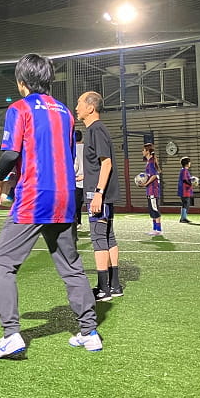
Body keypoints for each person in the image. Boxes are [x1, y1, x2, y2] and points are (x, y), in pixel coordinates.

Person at [0, 54, 101, 358]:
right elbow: (59, 155)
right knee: (71, 265)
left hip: (34, 196)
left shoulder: (19, 108)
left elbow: (11, 154)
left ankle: (11, 334)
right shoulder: (65, 112)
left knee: (2, 263)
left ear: (21, 81)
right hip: (65, 196)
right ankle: (89, 332)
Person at [76, 91, 123, 302]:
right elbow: (98, 165)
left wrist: (98, 193)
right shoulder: (96, 130)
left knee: (98, 237)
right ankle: (115, 285)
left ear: (90, 107)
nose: (76, 107)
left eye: (79, 103)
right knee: (108, 236)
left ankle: (103, 289)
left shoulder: (96, 129)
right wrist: (84, 176)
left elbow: (106, 163)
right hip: (101, 192)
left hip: (98, 195)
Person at [143, 143, 163, 235]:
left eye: (143, 150)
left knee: (155, 210)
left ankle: (158, 229)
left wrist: (146, 183)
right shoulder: (149, 161)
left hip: (153, 190)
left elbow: (154, 175)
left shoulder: (151, 162)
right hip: (150, 190)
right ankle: (155, 229)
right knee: (152, 210)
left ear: (147, 151)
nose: (142, 152)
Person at [73, 130, 86, 231]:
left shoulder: (73, 149)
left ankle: (78, 222)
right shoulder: (87, 148)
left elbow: (75, 165)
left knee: (76, 205)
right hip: (88, 180)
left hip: (77, 180)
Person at [177, 157, 194, 223]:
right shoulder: (184, 170)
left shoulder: (185, 170)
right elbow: (185, 180)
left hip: (187, 190)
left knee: (186, 204)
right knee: (185, 203)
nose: (190, 163)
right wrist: (191, 183)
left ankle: (184, 217)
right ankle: (183, 218)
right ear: (186, 163)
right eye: (189, 162)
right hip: (184, 190)